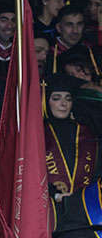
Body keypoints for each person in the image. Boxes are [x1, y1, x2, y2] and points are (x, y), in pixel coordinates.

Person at [44, 72, 98, 207]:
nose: (63, 104)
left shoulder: (86, 132)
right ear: (46, 101)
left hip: (84, 207)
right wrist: (55, 194)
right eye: (56, 98)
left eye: (68, 99)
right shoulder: (39, 133)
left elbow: (97, 171)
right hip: (49, 206)